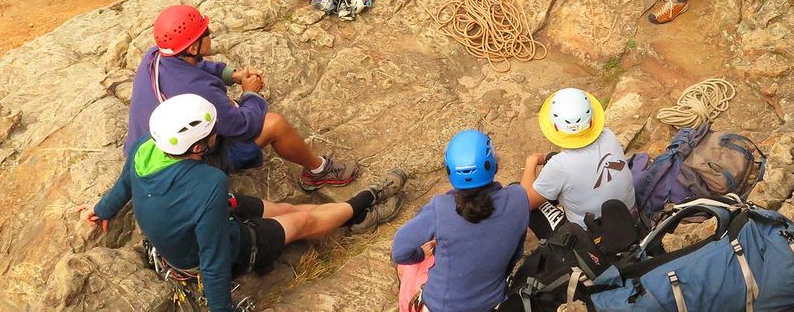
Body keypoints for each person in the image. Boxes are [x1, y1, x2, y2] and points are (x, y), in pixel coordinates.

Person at [78, 94, 407, 312]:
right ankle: (368, 200)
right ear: (196, 148)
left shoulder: (144, 149)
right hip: (205, 248)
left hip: (193, 218)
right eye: (210, 135)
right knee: (301, 223)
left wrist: (103, 209)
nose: (215, 137)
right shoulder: (208, 183)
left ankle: (351, 216)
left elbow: (125, 185)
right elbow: (214, 255)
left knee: (288, 210)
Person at [124, 4, 359, 191]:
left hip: (148, 156)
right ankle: (318, 172)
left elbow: (197, 67)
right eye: (205, 33)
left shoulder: (155, 56)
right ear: (194, 47)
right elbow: (244, 126)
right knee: (274, 124)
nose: (210, 33)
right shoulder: (198, 92)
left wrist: (231, 75)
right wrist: (250, 93)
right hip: (186, 168)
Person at [392, 130, 530, 312]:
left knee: (408, 268)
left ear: (450, 172)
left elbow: (400, 252)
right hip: (492, 303)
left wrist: (422, 255)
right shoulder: (519, 199)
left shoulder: (439, 208)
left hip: (440, 306)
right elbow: (515, 255)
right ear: (494, 165)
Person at [520, 88, 635, 238]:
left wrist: (531, 162)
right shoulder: (609, 135)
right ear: (592, 120)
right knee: (552, 163)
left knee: (518, 192)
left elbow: (523, 203)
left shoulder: (559, 166)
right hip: (629, 218)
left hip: (594, 236)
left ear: (555, 127)